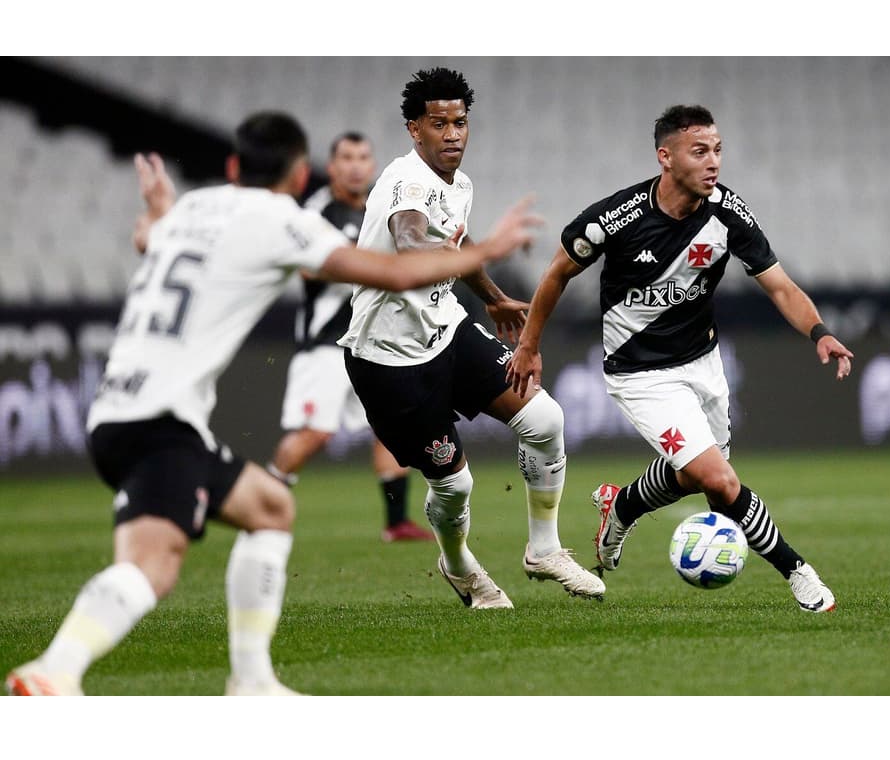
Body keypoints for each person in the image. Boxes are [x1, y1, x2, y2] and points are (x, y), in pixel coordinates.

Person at [5, 111, 540, 696]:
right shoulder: (283, 218)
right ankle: (55, 671)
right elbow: (389, 271)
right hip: (159, 423)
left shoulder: (193, 208)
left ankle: (253, 680)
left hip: (115, 410)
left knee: (269, 509)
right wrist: (485, 249)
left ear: (234, 167)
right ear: (295, 177)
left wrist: (161, 206)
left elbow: (147, 239)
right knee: (151, 568)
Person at [506, 104, 854, 613]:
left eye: (717, 150)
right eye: (700, 151)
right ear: (665, 157)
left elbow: (779, 285)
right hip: (641, 373)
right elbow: (558, 271)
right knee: (720, 481)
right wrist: (530, 345)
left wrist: (819, 332)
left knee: (703, 481)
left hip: (704, 364)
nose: (713, 162)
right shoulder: (617, 217)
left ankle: (621, 504)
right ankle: (799, 573)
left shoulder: (728, 212)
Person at [340, 67, 605, 609]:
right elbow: (413, 244)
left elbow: (454, 242)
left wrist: (491, 294)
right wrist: (482, 255)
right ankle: (459, 565)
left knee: (545, 419)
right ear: (415, 129)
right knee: (455, 487)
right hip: (390, 361)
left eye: (460, 122)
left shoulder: (457, 184)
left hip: (448, 330)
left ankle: (544, 548)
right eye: (439, 124)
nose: (454, 134)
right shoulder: (406, 184)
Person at [269, 131, 432, 543]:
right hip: (324, 344)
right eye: (347, 157)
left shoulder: (379, 210)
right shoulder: (318, 210)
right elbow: (308, 267)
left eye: (363, 156)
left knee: (390, 429)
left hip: (370, 342)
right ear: (333, 165)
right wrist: (366, 262)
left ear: (373, 165)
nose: (356, 165)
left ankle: (396, 523)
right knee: (315, 434)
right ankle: (264, 504)